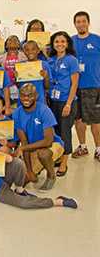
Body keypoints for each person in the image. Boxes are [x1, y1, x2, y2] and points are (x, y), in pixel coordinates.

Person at [0, 129, 78, 210]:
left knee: (18, 163)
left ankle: (19, 189)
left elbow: (9, 159)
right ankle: (56, 202)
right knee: (23, 204)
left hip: (2, 177)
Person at [13, 84, 62, 190]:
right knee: (24, 181)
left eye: (30, 95)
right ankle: (34, 171)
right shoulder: (17, 113)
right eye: (23, 95)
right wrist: (29, 172)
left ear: (36, 96)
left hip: (52, 144)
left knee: (43, 154)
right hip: (31, 148)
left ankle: (51, 175)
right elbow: (24, 142)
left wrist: (22, 148)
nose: (26, 98)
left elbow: (48, 141)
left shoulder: (44, 111)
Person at [48, 31, 79, 175]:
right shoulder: (51, 60)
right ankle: (59, 157)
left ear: (67, 44)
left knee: (65, 132)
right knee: (58, 132)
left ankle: (64, 163)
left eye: (62, 41)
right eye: (56, 42)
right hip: (53, 101)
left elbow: (74, 84)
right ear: (53, 44)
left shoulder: (71, 60)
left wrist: (68, 103)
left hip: (66, 102)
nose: (59, 44)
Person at [71, 11, 100, 161]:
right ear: (74, 24)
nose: (81, 24)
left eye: (84, 21)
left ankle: (98, 149)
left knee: (95, 120)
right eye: (78, 21)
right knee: (78, 119)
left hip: (93, 86)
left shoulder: (96, 40)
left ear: (88, 23)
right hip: (74, 87)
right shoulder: (70, 41)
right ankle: (83, 146)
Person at [18, 40, 52, 104]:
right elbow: (19, 86)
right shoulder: (20, 66)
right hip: (23, 101)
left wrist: (46, 77)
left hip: (39, 100)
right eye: (27, 50)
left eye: (33, 49)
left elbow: (47, 87)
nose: (30, 52)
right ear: (23, 51)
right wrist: (16, 78)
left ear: (38, 50)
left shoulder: (44, 64)